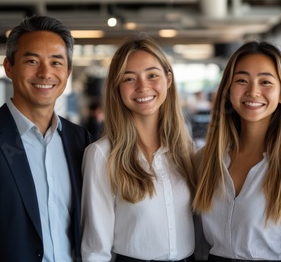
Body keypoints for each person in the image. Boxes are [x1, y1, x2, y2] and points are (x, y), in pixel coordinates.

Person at [0, 15, 93, 262]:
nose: (45, 73)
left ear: (68, 71)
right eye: (32, 60)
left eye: (56, 62)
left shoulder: (81, 141)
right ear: (9, 67)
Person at [192, 41, 281, 261]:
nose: (253, 92)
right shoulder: (205, 160)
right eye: (242, 80)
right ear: (227, 91)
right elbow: (199, 247)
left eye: (265, 82)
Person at [80, 35, 196, 261]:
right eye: (129, 79)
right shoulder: (102, 155)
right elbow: (95, 249)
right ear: (117, 87)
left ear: (168, 80)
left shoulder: (186, 149)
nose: (143, 87)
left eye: (152, 75)